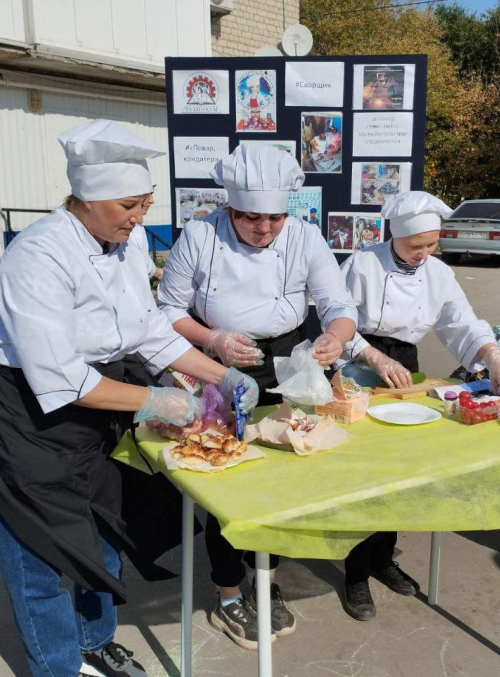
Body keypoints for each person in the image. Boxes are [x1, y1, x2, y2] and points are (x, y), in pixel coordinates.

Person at [0, 119, 258, 677]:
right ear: (86, 200)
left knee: (104, 529)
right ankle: (57, 667)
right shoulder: (37, 256)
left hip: (96, 410)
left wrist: (217, 374)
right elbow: (62, 377)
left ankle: (95, 641)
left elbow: (147, 329)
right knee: (37, 559)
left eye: (144, 203)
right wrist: (158, 402)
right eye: (128, 206)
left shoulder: (128, 241)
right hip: (18, 417)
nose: (140, 217)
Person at [157, 144, 358, 649]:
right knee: (225, 475)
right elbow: (167, 310)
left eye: (273, 217)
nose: (263, 228)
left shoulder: (305, 237)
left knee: (283, 469)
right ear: (229, 208)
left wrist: (334, 334)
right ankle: (229, 592)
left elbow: (339, 304)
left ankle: (267, 580)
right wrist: (213, 339)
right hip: (217, 359)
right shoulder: (201, 235)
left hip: (288, 359)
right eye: (250, 217)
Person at [338, 191, 500, 622]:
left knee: (400, 472)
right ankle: (355, 573)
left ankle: (382, 558)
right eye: (414, 246)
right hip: (358, 366)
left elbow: (460, 323)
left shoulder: (437, 273)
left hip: (405, 367)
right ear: (394, 237)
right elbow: (337, 322)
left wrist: (494, 355)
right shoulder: (363, 265)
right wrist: (372, 356)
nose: (423, 254)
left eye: (431, 245)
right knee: (362, 475)